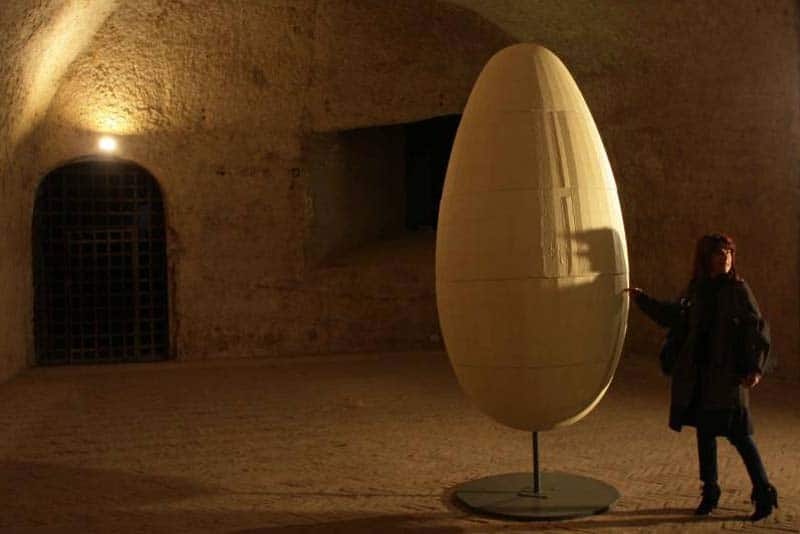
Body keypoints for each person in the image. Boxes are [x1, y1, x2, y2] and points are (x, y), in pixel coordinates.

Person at [624, 233, 777, 521]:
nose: (725, 257)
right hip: (700, 377)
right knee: (705, 436)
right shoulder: (697, 289)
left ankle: (764, 494)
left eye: (729, 252)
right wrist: (642, 300)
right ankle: (710, 492)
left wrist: (755, 368)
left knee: (741, 436)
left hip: (728, 378)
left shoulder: (738, 289)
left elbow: (757, 329)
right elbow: (673, 316)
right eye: (719, 253)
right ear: (706, 258)